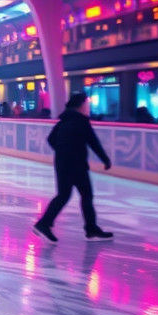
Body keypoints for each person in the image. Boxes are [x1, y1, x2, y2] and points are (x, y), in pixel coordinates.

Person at [32, 92, 113, 243]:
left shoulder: (64, 120)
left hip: (62, 163)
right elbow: (93, 142)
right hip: (76, 164)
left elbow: (51, 139)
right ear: (81, 105)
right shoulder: (81, 121)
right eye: (87, 104)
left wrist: (62, 151)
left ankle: (44, 223)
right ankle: (91, 229)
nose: (88, 107)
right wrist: (105, 160)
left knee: (63, 195)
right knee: (86, 195)